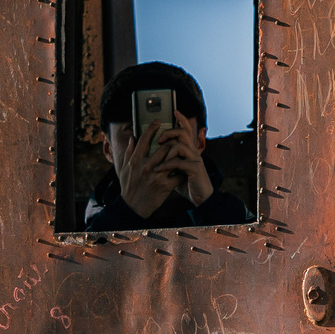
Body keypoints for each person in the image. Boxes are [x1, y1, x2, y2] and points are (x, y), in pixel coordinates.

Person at [80, 61, 252, 230]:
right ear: (108, 148)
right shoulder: (76, 225)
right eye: (134, 128)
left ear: (200, 141)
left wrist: (210, 205)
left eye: (172, 125)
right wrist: (127, 211)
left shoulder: (244, 213)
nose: (154, 138)